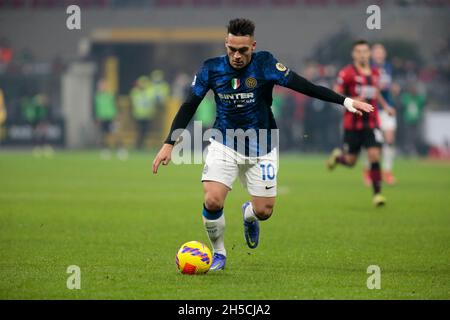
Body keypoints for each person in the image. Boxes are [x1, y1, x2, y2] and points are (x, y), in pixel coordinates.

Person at [152, 19, 373, 271]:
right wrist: (170, 142)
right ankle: (219, 253)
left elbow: (304, 86)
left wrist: (344, 101)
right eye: (232, 49)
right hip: (224, 142)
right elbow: (189, 104)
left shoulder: (266, 63)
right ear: (226, 43)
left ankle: (249, 213)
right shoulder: (211, 69)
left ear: (253, 46)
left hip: (263, 145)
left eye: (243, 50)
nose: (236, 55)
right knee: (213, 200)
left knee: (264, 211)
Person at [327, 40, 395, 207]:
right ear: (354, 54)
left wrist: (386, 107)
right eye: (359, 51)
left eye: (365, 51)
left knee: (374, 155)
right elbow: (336, 92)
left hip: (372, 123)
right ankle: (338, 158)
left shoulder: (375, 72)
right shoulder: (347, 73)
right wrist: (353, 100)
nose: (363, 54)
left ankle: (377, 194)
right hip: (352, 124)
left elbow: (376, 92)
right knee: (350, 162)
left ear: (369, 53)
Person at [362, 43, 398, 185]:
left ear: (385, 54)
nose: (379, 54)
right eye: (376, 52)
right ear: (372, 54)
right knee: (371, 144)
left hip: (387, 109)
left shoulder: (388, 67)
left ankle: (387, 172)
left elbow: (389, 86)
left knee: (389, 140)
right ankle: (368, 171)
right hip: (372, 109)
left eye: (381, 52)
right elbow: (367, 90)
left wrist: (394, 88)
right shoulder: (367, 68)